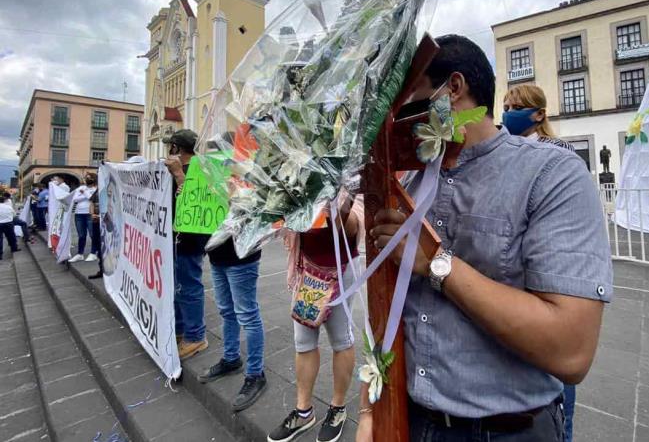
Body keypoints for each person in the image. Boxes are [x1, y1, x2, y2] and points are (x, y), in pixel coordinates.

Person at [357, 35, 612, 441]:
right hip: (412, 422)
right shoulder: (408, 180)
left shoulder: (552, 175)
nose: (398, 117)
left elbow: (571, 349)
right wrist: (370, 411)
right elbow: (387, 309)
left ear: (452, 90)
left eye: (407, 100)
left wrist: (438, 264)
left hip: (507, 431)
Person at [503, 83, 577, 441]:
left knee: (559, 387)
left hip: (548, 273)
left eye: (515, 106)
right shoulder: (509, 148)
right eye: (504, 105)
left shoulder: (557, 153)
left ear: (539, 114)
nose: (507, 112)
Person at [269, 197, 363, 442]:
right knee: (303, 341)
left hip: (341, 268)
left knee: (341, 339)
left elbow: (355, 225)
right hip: (306, 267)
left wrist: (340, 208)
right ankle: (304, 412)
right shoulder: (299, 167)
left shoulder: (353, 176)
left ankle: (338, 407)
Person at [197, 235, 267, 411]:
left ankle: (255, 374)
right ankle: (231, 359)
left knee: (248, 316)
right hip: (216, 254)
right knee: (227, 312)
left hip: (242, 256)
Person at [164, 129, 210, 360]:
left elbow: (191, 202)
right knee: (179, 286)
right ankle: (182, 329)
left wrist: (178, 174)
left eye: (170, 147)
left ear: (175, 148)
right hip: (178, 238)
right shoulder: (186, 169)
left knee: (189, 286)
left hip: (189, 239)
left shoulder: (199, 170)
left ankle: (195, 336)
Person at [502, 83, 575, 151]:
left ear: (540, 114)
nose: (509, 112)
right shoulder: (504, 149)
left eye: (518, 107)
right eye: (506, 108)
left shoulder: (559, 147)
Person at [69, 173, 100, 263]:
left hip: (90, 213)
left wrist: (85, 194)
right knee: (81, 235)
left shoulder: (96, 189)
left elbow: (92, 198)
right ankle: (80, 254)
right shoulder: (80, 188)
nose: (87, 179)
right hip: (79, 213)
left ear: (94, 179)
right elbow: (75, 199)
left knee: (92, 234)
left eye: (89, 177)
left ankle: (93, 253)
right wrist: (87, 195)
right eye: (86, 177)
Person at [87, 177, 104, 280]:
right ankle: (101, 269)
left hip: (106, 223)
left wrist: (101, 217)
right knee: (98, 245)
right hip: (96, 222)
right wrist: (92, 213)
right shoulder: (98, 190)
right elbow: (92, 203)